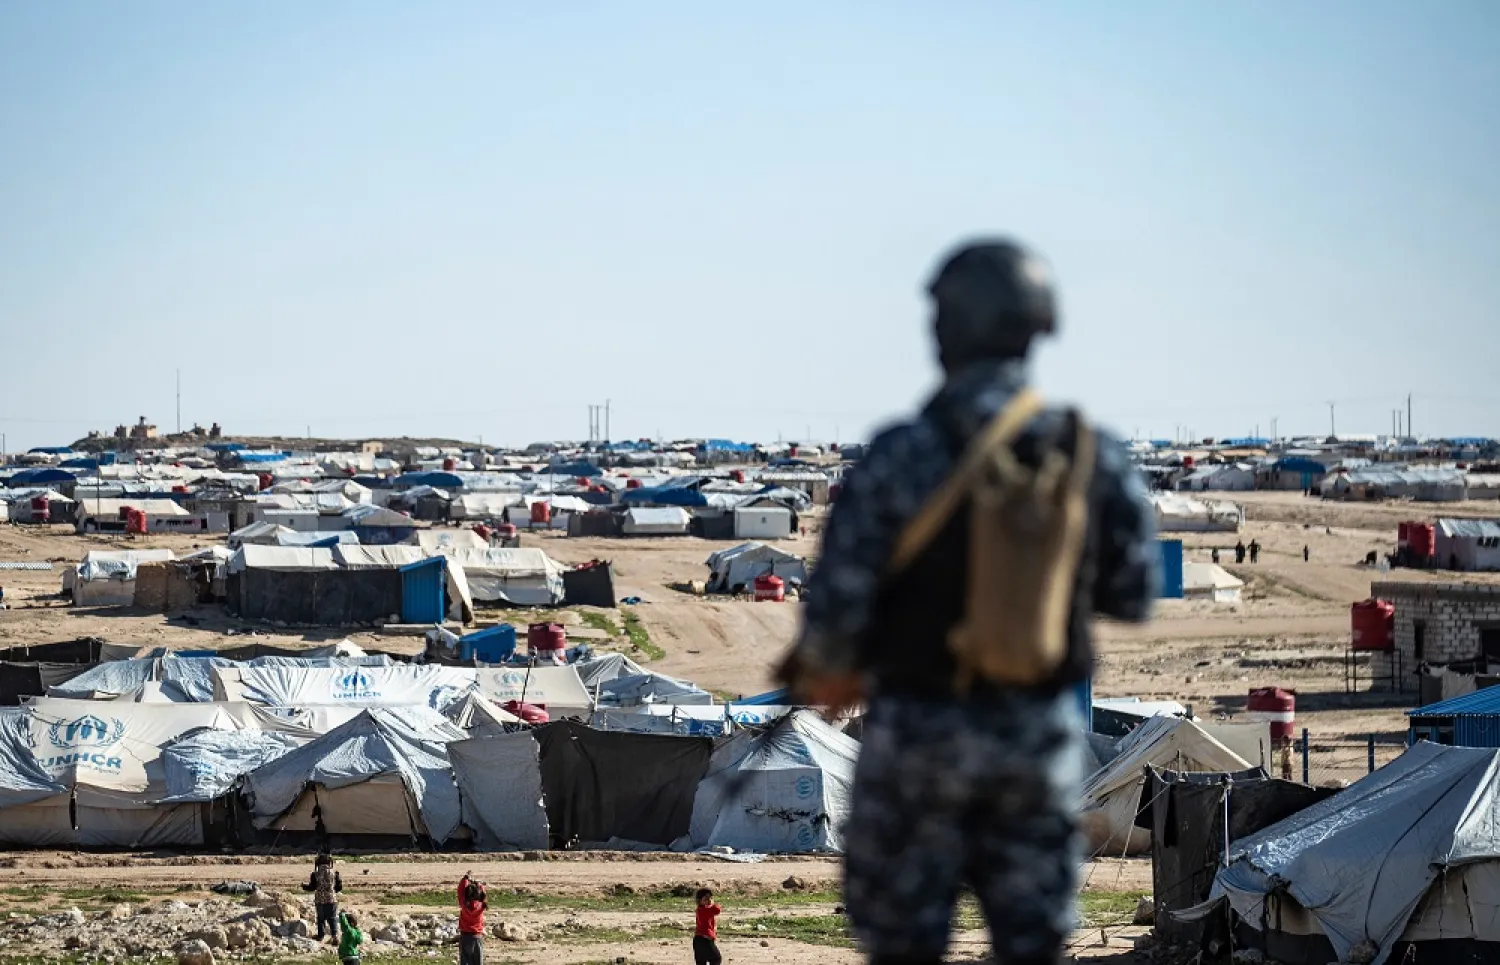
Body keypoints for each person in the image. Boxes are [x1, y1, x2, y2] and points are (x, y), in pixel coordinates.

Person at [776, 239, 1158, 965]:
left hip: (916, 743)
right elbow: (1132, 594)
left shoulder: (897, 456)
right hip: (1035, 746)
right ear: (1038, 329)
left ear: (943, 330)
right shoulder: (1090, 455)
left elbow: (834, 614)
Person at [301, 851, 343, 942]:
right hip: (331, 899)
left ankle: (321, 936)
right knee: (332, 918)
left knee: (321, 919)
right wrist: (332, 891)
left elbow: (312, 887)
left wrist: (304, 886)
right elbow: (339, 887)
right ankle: (335, 936)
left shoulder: (315, 874)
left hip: (320, 900)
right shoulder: (334, 873)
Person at [457, 872, 487, 965]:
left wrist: (465, 879)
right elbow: (484, 895)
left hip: (465, 936)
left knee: (465, 961)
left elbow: (460, 891)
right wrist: (479, 884)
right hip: (477, 936)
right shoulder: (481, 906)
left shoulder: (464, 904)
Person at [693, 888, 723, 965]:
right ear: (699, 901)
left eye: (710, 898)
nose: (709, 900)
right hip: (705, 940)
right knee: (716, 959)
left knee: (701, 962)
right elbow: (717, 910)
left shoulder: (699, 909)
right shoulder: (707, 910)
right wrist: (713, 904)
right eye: (706, 898)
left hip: (697, 940)